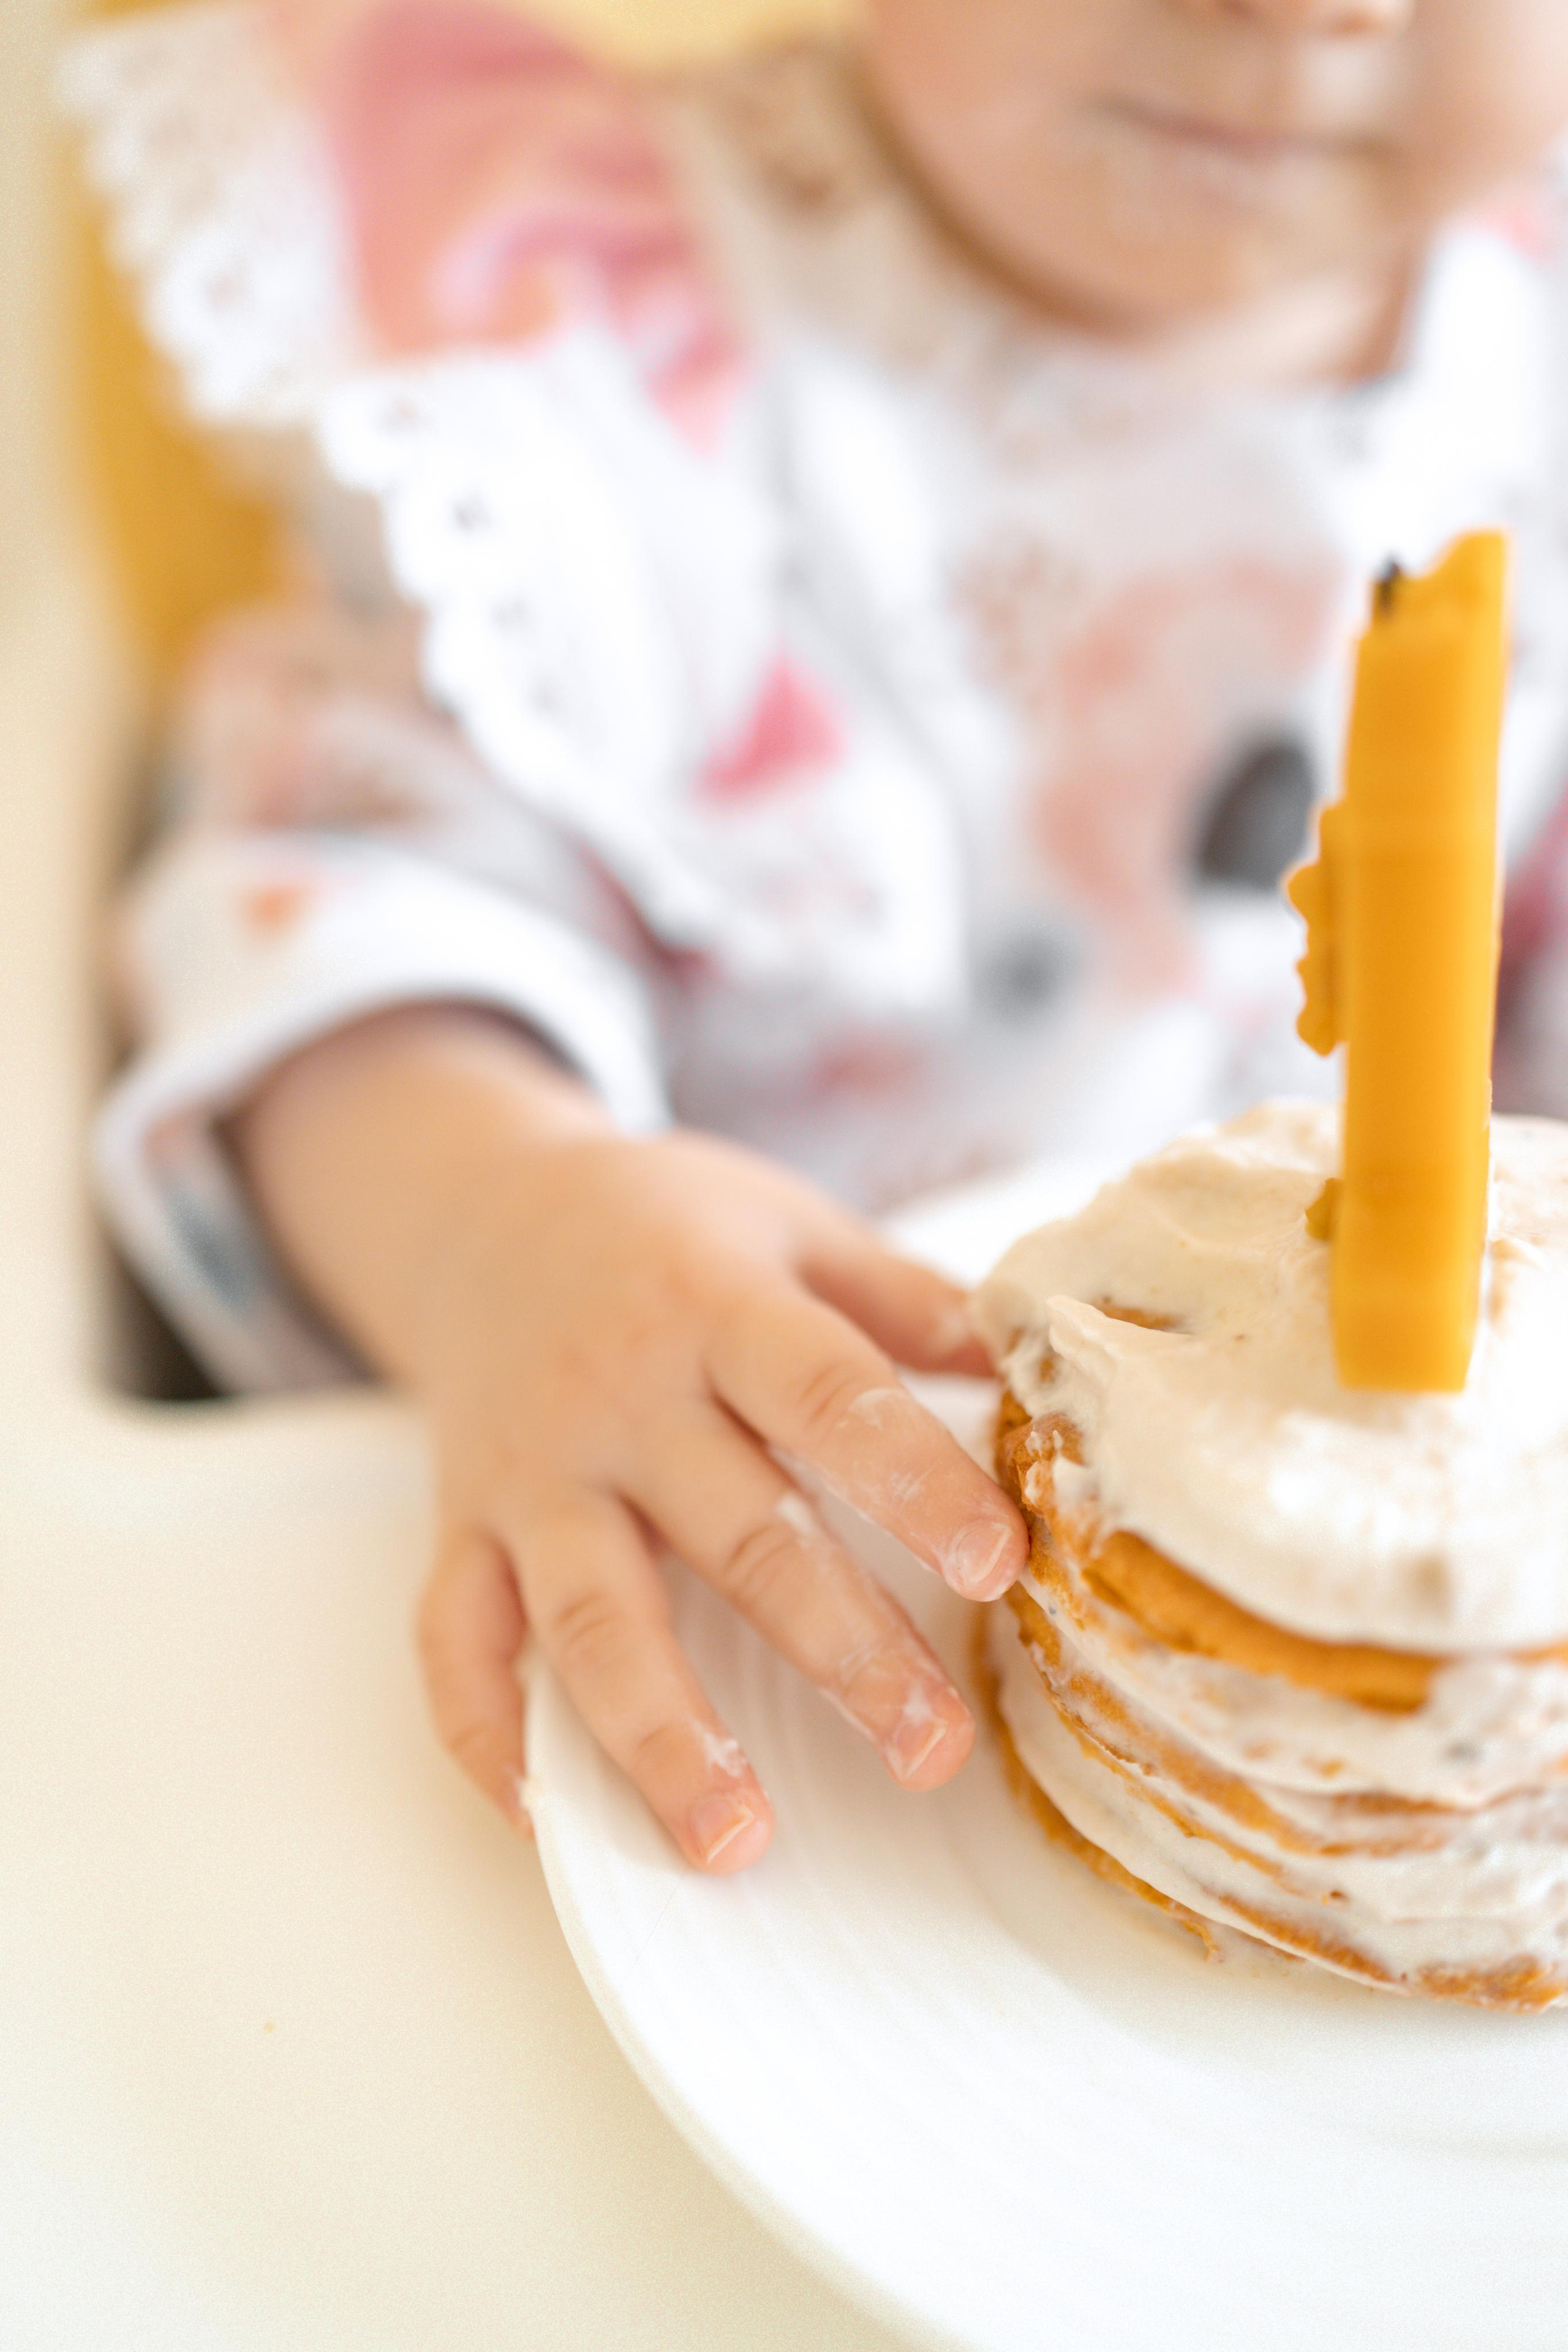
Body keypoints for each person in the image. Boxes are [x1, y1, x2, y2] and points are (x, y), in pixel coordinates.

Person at [64, 0, 1568, 1872]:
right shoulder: (591, 339)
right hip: (761, 1560)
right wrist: (501, 1236)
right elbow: (333, 913)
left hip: (1318, 1617)